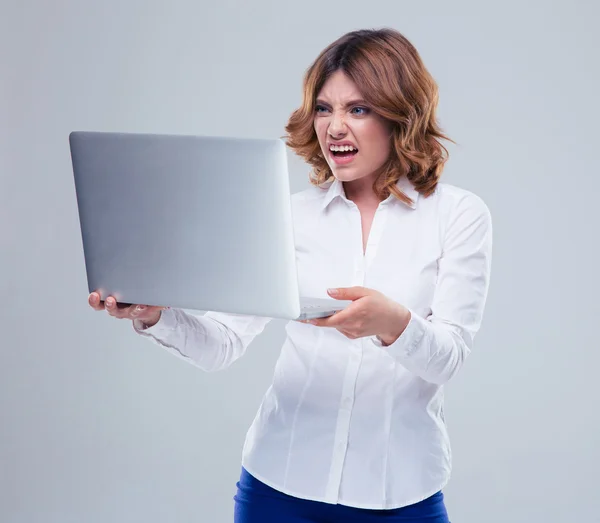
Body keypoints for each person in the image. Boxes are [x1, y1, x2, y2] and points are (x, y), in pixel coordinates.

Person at [88, 28, 492, 523]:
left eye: (358, 109)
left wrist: (393, 323)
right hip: (279, 488)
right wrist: (156, 316)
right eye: (324, 109)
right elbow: (223, 344)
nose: (335, 127)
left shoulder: (458, 215)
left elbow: (448, 358)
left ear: (399, 115)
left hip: (399, 493)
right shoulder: (287, 216)